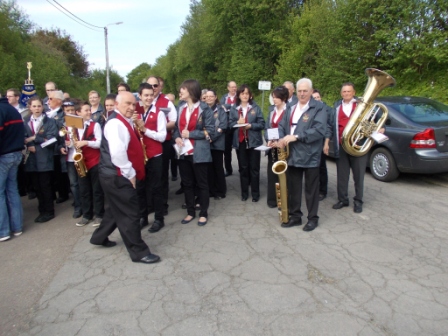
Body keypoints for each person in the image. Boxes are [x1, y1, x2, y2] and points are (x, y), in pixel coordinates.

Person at [90, 91, 160, 264]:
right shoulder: (115, 124)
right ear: (116, 104)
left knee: (115, 209)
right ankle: (139, 252)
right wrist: (129, 174)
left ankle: (98, 237)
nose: (131, 107)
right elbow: (118, 154)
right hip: (118, 176)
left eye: (133, 104)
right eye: (127, 104)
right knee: (130, 214)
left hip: (114, 174)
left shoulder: (124, 121)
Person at [277, 78, 326, 231]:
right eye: (299, 91)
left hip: (310, 155)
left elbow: (319, 130)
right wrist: (281, 138)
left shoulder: (319, 108)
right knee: (294, 188)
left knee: (311, 190)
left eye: (305, 91)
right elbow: (281, 125)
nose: (302, 94)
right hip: (292, 154)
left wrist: (296, 136)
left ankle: (313, 218)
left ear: (311, 91)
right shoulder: (291, 107)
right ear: (295, 92)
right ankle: (296, 216)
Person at [332, 83, 383, 213]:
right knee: (342, 175)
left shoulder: (362, 106)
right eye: (344, 91)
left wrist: (380, 128)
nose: (346, 94)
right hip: (342, 145)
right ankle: (343, 199)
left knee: (358, 176)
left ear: (354, 92)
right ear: (341, 93)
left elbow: (375, 120)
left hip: (358, 145)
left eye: (349, 91)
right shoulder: (336, 107)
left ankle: (358, 201)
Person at [174, 79, 214, 226]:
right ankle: (190, 212)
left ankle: (203, 213)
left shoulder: (205, 109)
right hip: (183, 152)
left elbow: (210, 131)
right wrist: (177, 137)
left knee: (202, 184)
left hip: (199, 152)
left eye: (182, 89)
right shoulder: (181, 107)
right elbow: (177, 129)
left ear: (190, 90)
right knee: (187, 184)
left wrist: (190, 134)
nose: (180, 92)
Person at [133, 83, 167, 233]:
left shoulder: (159, 113)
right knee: (140, 188)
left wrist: (145, 129)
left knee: (156, 188)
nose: (148, 98)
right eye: (145, 95)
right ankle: (143, 216)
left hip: (154, 155)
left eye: (151, 95)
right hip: (139, 155)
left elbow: (162, 136)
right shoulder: (135, 112)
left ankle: (159, 218)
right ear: (139, 96)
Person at [24, 96, 58, 223]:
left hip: (44, 158)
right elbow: (24, 137)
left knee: (45, 186)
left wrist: (34, 139)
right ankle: (41, 210)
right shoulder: (26, 121)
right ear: (30, 107)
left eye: (39, 106)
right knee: (37, 187)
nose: (37, 108)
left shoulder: (49, 122)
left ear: (42, 107)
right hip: (31, 159)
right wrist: (29, 144)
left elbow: (51, 139)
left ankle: (49, 211)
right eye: (34, 106)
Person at [229, 84, 265, 202]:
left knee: (254, 168)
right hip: (240, 142)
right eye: (242, 93)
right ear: (239, 95)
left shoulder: (255, 107)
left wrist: (251, 126)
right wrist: (236, 123)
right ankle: (244, 193)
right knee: (243, 168)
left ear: (250, 95)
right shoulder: (234, 108)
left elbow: (262, 124)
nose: (245, 96)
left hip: (254, 141)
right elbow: (229, 124)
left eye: (247, 94)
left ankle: (255, 194)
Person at [147, 76, 177, 216]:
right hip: (145, 145)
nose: (153, 88)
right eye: (150, 85)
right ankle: (150, 203)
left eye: (155, 85)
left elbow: (173, 122)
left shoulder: (167, 103)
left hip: (162, 143)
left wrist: (158, 127)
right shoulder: (140, 103)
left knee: (161, 175)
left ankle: (162, 204)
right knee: (147, 176)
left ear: (160, 87)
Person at [73, 101, 105, 227]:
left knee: (97, 189)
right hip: (81, 162)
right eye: (86, 110)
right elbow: (71, 143)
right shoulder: (74, 128)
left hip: (94, 161)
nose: (89, 112)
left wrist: (86, 142)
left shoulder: (95, 125)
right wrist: (70, 143)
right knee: (84, 190)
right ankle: (87, 215)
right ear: (78, 112)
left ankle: (99, 214)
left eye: (89, 110)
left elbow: (100, 142)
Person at [0, 95, 25, 241]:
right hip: (16, 154)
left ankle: (3, 231)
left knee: (1, 193)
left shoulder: (1, 110)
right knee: (12, 190)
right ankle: (17, 227)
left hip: (4, 155)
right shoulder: (12, 109)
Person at [265, 86, 289, 208]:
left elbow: (289, 130)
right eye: (273, 97)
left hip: (284, 147)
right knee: (272, 174)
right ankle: (273, 200)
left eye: (276, 97)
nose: (274, 100)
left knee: (284, 175)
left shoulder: (289, 111)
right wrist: (268, 140)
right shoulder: (272, 111)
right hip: (273, 147)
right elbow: (267, 128)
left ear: (283, 98)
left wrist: (280, 141)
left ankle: (284, 201)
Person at [59, 99, 82, 218]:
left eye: (72, 110)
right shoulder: (61, 124)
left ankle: (86, 205)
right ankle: (78, 206)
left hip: (80, 156)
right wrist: (61, 147)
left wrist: (74, 142)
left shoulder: (80, 122)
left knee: (83, 182)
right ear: (64, 111)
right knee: (73, 184)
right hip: (69, 158)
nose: (70, 112)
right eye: (68, 110)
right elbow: (59, 140)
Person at [47, 90, 70, 204]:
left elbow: (62, 131)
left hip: (58, 145)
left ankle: (63, 193)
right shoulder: (47, 113)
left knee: (61, 172)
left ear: (59, 101)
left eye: (51, 99)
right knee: (53, 172)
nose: (48, 101)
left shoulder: (62, 114)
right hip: (49, 146)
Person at [312, 89, 335, 201]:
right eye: (314, 98)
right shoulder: (310, 109)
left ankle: (322, 190)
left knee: (321, 167)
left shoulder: (327, 110)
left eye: (318, 97)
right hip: (311, 143)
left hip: (321, 142)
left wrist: (326, 143)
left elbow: (329, 127)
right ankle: (313, 188)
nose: (317, 99)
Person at [205, 89, 227, 200]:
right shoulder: (203, 109)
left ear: (215, 97)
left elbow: (223, 126)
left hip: (217, 143)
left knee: (218, 167)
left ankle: (220, 191)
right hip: (206, 143)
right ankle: (211, 190)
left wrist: (212, 138)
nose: (209, 98)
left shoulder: (221, 110)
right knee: (208, 168)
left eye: (211, 96)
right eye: (207, 96)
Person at [220, 81, 237, 177]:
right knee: (227, 149)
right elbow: (221, 108)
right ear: (228, 88)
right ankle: (228, 169)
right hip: (227, 126)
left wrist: (229, 107)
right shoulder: (224, 97)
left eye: (235, 87)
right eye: (232, 87)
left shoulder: (239, 97)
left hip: (237, 124)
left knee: (239, 148)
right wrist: (230, 107)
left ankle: (242, 168)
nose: (234, 89)